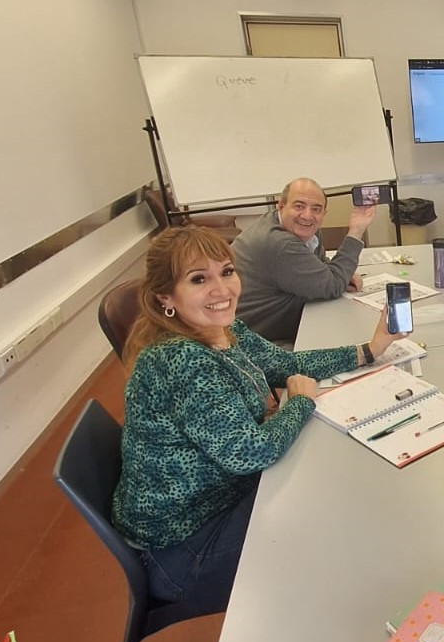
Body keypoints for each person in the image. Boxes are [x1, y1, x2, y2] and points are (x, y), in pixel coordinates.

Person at [113, 227, 405, 614]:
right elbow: (252, 452)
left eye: (227, 271)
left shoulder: (221, 330)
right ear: (165, 297)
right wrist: (299, 403)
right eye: (199, 279)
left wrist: (369, 350)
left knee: (329, 492)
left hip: (216, 502)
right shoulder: (180, 361)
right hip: (183, 550)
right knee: (332, 523)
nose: (222, 290)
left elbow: (287, 364)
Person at [233, 177, 375, 343]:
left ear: (324, 213)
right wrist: (356, 231)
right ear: (281, 206)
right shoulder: (280, 243)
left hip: (282, 321)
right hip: (258, 341)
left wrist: (340, 273)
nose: (307, 216)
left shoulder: (299, 228)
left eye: (316, 209)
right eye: (299, 206)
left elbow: (321, 267)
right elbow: (332, 286)